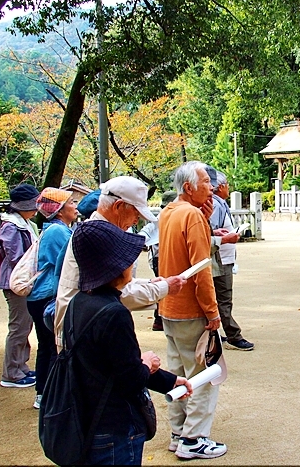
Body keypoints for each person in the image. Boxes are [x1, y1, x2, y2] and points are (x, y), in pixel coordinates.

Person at [67, 220, 192, 465]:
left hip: (87, 418)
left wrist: (169, 381)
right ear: (116, 266)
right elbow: (130, 378)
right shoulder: (115, 313)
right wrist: (146, 363)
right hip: (115, 425)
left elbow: (116, 363)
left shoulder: (79, 302)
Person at [54, 176, 185, 353]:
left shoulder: (96, 230)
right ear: (118, 206)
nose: (136, 220)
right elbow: (115, 292)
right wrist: (163, 288)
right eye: (136, 213)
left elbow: (117, 286)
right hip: (84, 333)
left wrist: (150, 284)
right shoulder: (99, 236)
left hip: (83, 327)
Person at [158, 161, 227, 460]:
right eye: (206, 183)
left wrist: (204, 219)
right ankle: (194, 438)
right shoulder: (192, 216)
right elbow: (201, 270)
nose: (212, 188)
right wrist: (212, 312)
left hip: (169, 307)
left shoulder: (169, 212)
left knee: (178, 373)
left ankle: (178, 433)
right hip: (191, 310)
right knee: (204, 375)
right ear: (189, 187)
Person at [27, 187, 78, 409]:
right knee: (52, 346)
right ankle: (46, 394)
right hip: (47, 296)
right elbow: (71, 262)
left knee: (47, 345)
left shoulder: (56, 229)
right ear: (59, 210)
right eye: (71, 203)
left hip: (41, 296)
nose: (75, 207)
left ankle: (43, 393)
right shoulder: (58, 232)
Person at [207, 169, 254, 351]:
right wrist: (223, 237)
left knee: (219, 298)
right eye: (227, 185)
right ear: (220, 187)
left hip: (223, 257)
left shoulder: (219, 204)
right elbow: (208, 233)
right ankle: (233, 335)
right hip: (219, 258)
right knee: (223, 298)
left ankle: (216, 333)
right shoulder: (215, 204)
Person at [0, 183, 40, 388]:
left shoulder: (23, 223)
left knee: (25, 326)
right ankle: (11, 373)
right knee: (18, 327)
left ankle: (20, 366)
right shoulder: (11, 226)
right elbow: (16, 257)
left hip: (23, 281)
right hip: (16, 282)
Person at [138, 190, 179, 331]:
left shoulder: (164, 215)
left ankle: (160, 318)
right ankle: (160, 318)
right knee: (166, 286)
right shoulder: (164, 216)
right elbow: (147, 231)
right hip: (160, 257)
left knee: (165, 286)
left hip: (158, 257)